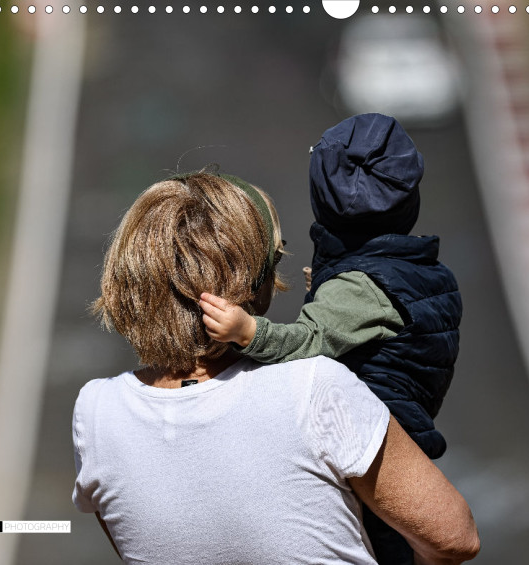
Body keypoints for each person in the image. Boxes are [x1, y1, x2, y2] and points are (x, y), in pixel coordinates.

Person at [73, 171, 479, 564]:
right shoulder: (315, 387)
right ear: (254, 279)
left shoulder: (95, 413)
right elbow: (453, 538)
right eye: (276, 256)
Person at [199, 114, 462, 564]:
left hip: (372, 440)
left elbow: (310, 341)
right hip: (405, 430)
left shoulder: (361, 287)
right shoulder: (415, 269)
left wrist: (248, 332)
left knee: (377, 542)